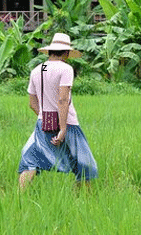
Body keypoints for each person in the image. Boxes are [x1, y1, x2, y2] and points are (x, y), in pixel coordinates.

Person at [18, 32, 98, 189]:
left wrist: (45, 117)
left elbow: (32, 103)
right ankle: (83, 202)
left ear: (50, 51)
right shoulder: (66, 68)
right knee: (84, 164)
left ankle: (19, 199)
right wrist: (62, 128)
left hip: (43, 122)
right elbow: (62, 99)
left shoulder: (37, 70)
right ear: (67, 53)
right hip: (68, 123)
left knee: (31, 160)